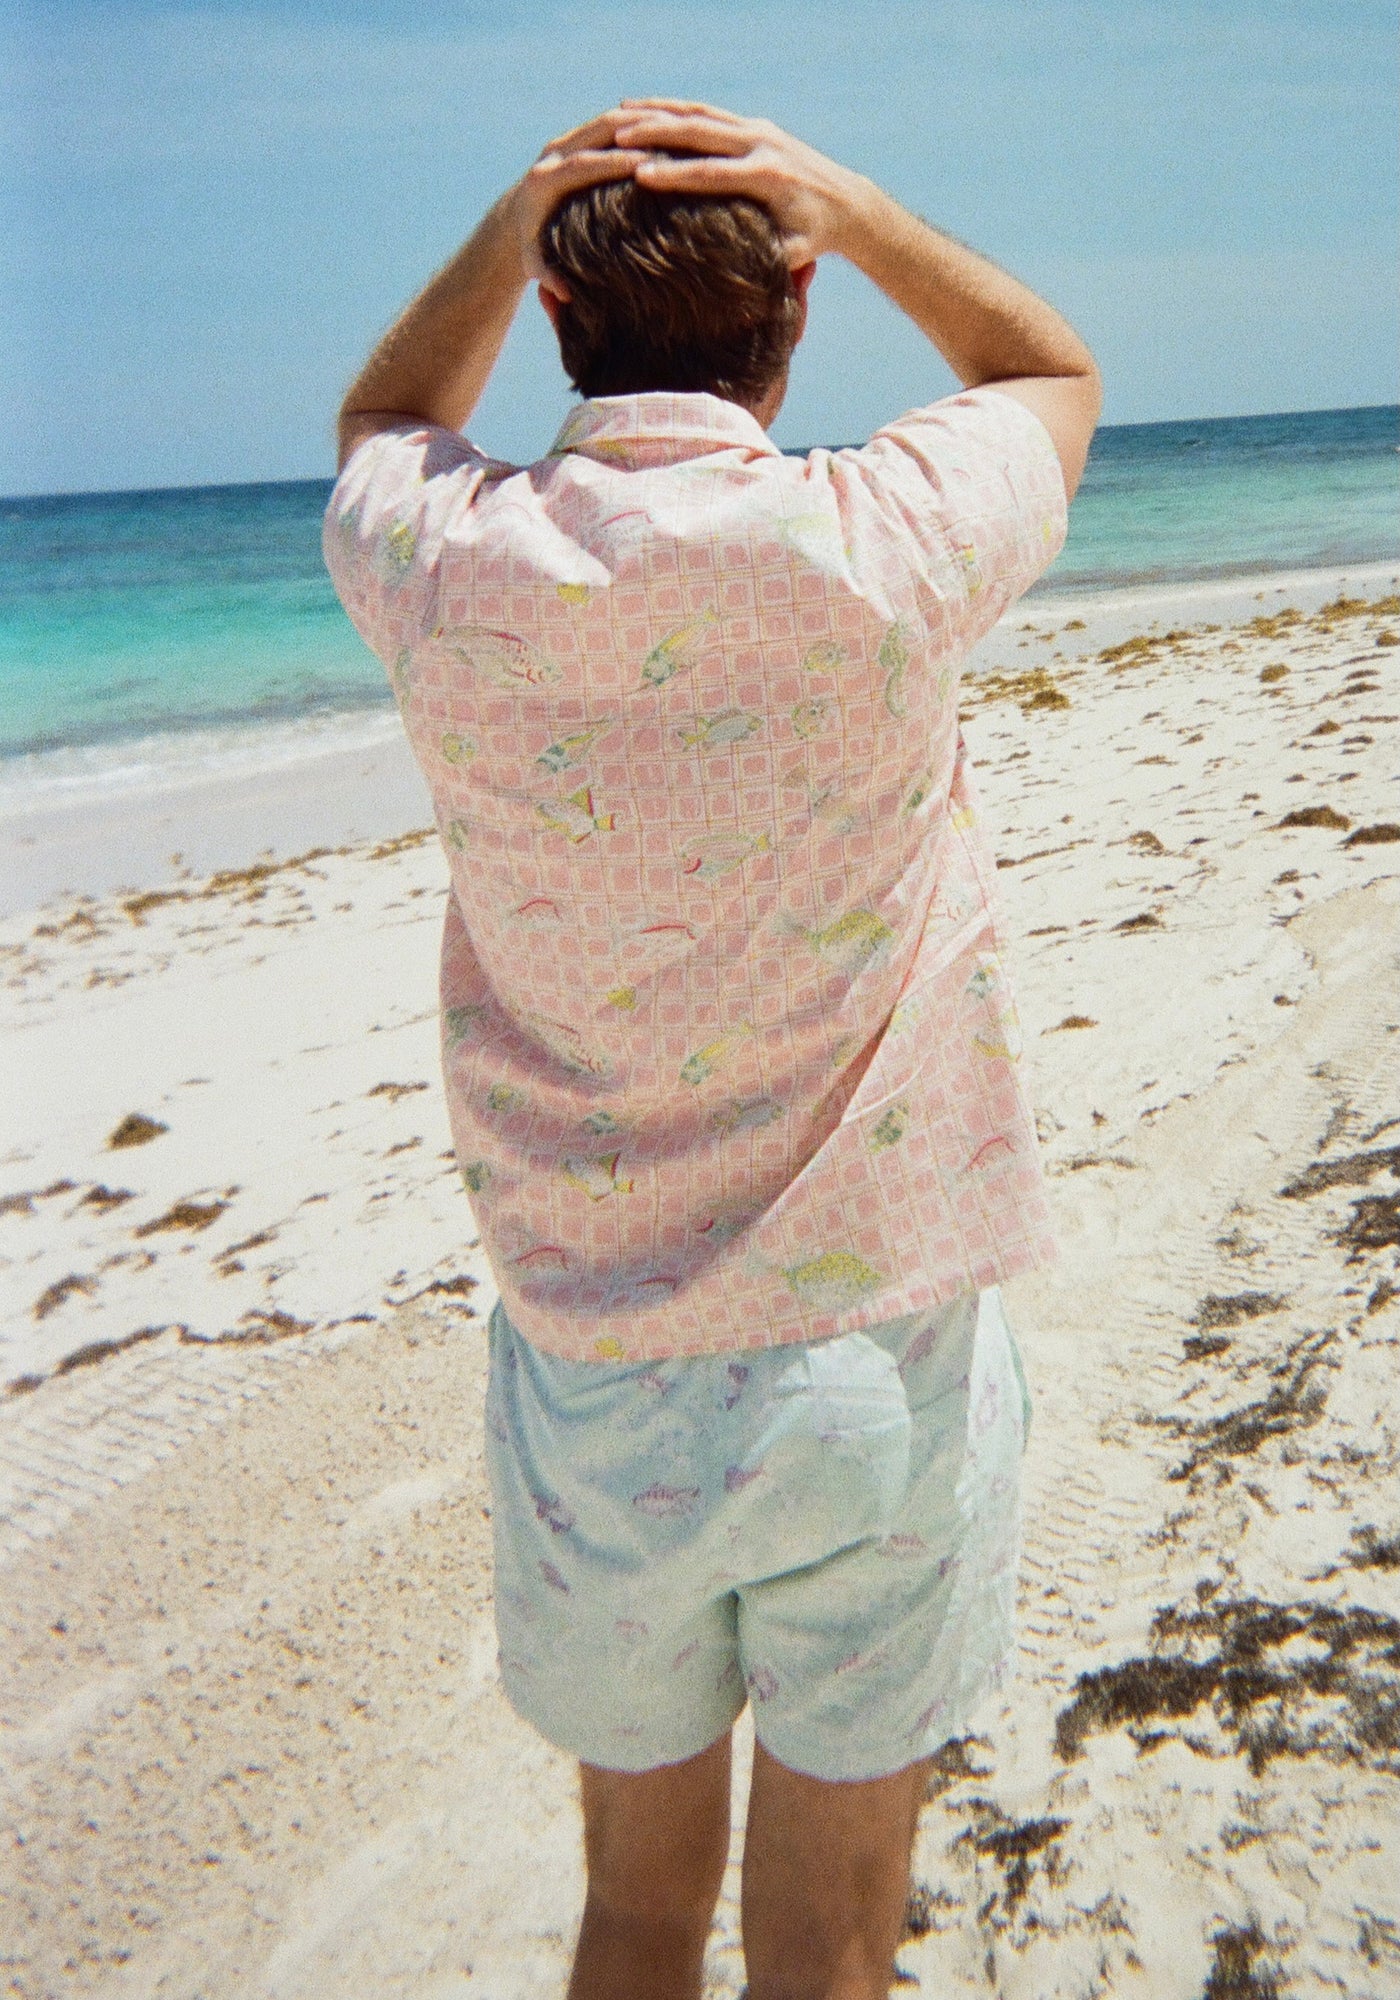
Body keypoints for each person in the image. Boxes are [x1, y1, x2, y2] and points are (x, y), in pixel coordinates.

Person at [324, 100, 1100, 2000]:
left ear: (562, 311)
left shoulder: (450, 565)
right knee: (828, 1942)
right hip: (875, 1366)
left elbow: (375, 423)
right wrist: (845, 199)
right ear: (799, 313)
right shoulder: (884, 541)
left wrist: (520, 227)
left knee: (641, 1915)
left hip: (600, 1381)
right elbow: (1045, 365)